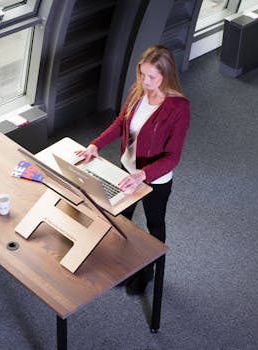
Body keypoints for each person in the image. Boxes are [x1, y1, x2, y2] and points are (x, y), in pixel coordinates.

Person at [76, 45, 191, 295]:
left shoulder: (178, 108)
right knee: (121, 219)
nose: (145, 81)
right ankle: (124, 265)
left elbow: (173, 157)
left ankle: (151, 269)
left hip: (154, 180)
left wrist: (144, 174)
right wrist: (95, 145)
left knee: (154, 224)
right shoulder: (137, 92)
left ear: (166, 75)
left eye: (152, 77)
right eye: (142, 74)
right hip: (127, 171)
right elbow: (121, 123)